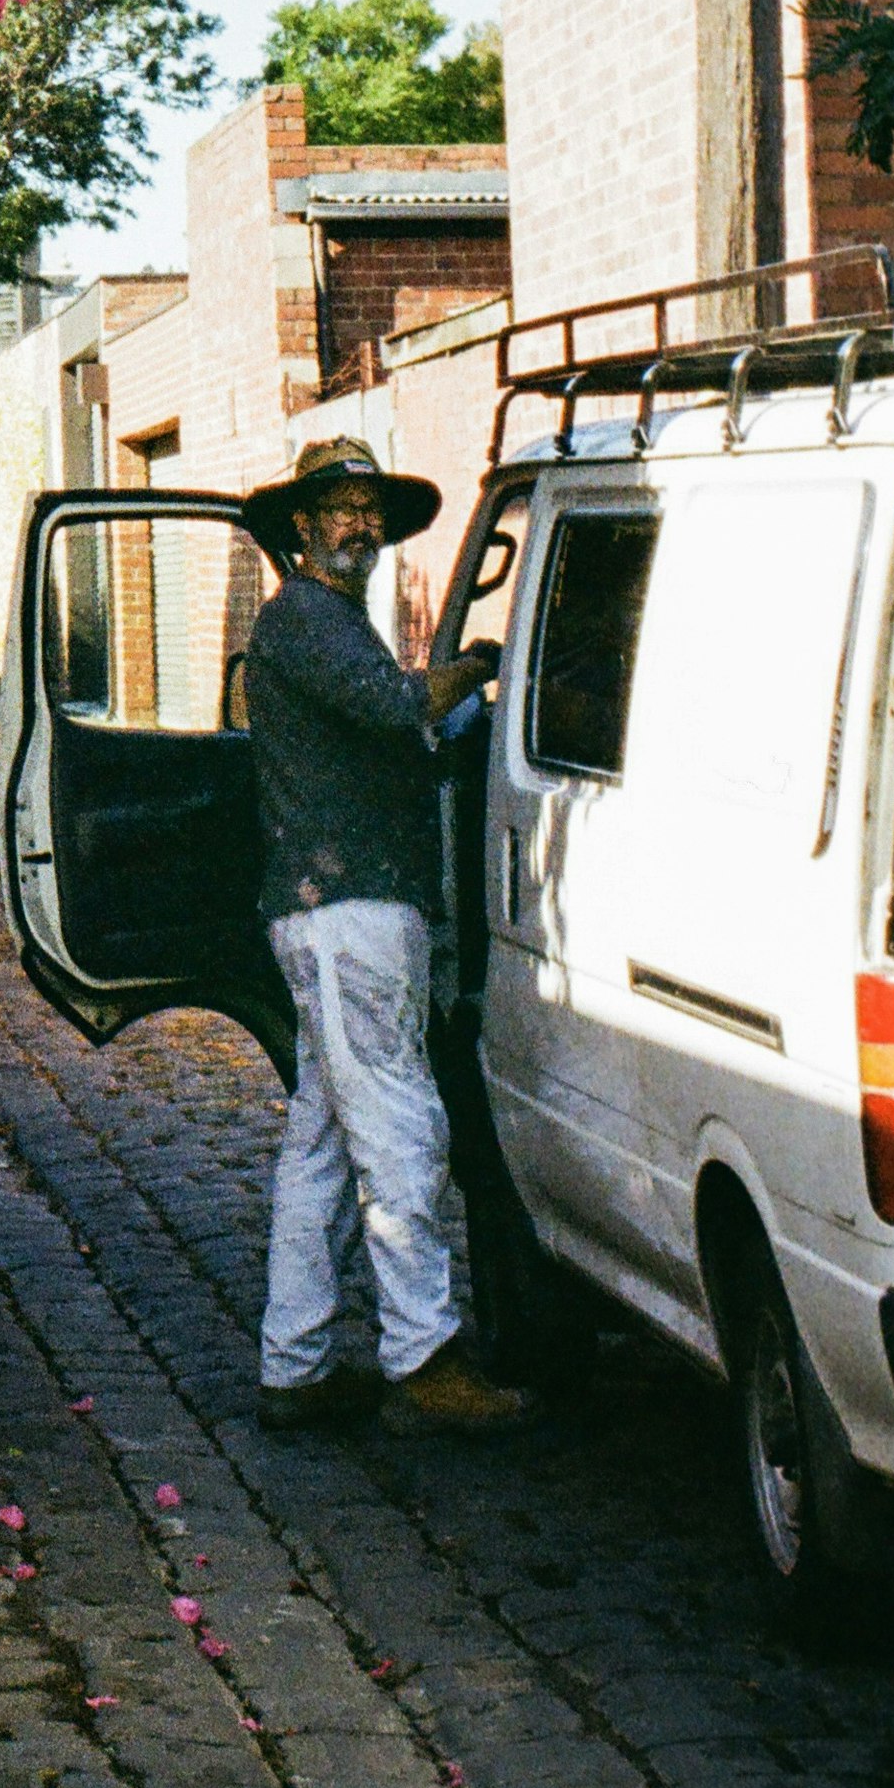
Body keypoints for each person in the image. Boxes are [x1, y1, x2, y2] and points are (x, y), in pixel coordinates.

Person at [239, 436, 529, 1438]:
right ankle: (425, 1355)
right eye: (341, 507)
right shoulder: (308, 621)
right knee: (404, 1135)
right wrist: (478, 669)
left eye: (369, 507)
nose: (359, 523)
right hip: (348, 914)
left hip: (339, 913)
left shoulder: (327, 623)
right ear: (302, 527)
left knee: (321, 1149)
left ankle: (298, 1362)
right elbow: (398, 705)